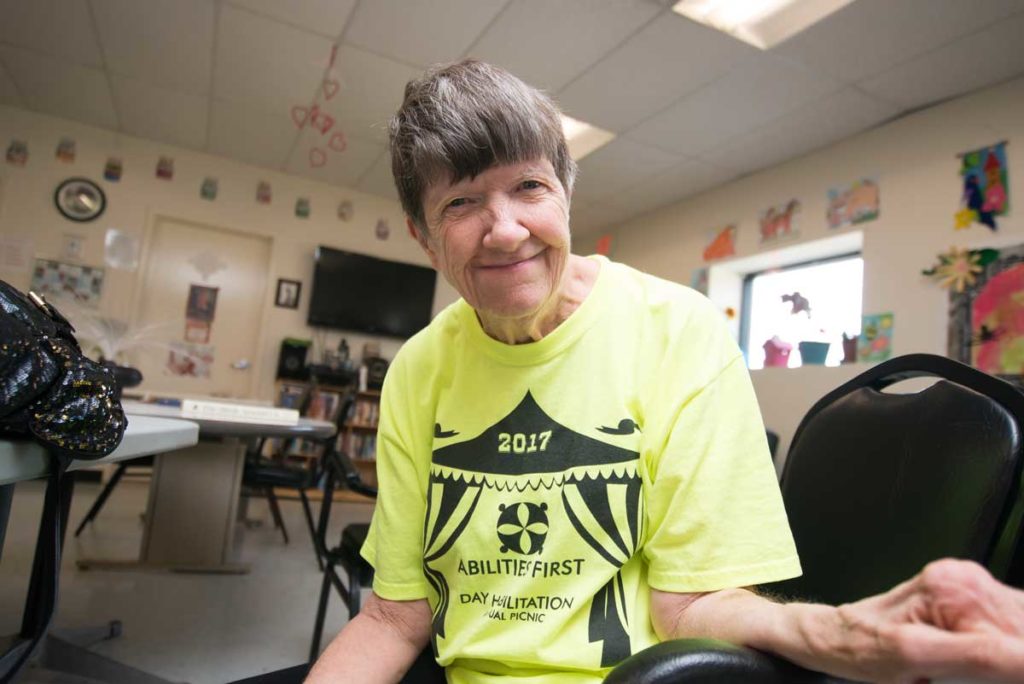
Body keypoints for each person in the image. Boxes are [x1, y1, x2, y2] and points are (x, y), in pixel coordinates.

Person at [306, 60, 1023, 684]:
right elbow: (396, 618)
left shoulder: (682, 334)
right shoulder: (418, 369)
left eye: (528, 186)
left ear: (565, 192)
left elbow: (693, 608)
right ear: (424, 237)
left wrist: (842, 634)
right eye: (461, 202)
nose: (505, 229)